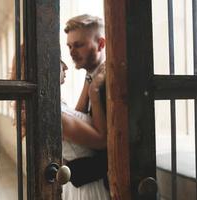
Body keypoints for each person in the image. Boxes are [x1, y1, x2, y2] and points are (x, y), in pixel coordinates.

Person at [61, 14, 109, 199]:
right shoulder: (91, 79)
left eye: (79, 45)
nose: (72, 52)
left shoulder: (110, 84)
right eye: (69, 46)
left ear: (101, 44)